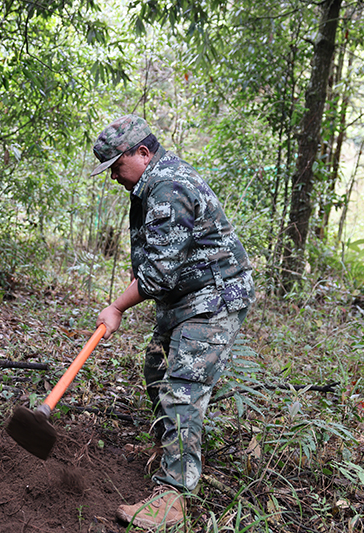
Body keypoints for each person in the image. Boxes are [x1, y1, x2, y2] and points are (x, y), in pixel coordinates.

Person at [91, 115, 255, 530]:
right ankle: (174, 447)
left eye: (116, 166)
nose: (114, 177)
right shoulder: (152, 183)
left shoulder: (169, 186)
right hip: (184, 297)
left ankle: (173, 498)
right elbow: (156, 260)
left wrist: (116, 307)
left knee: (181, 390)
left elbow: (158, 275)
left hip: (214, 298)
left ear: (142, 153)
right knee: (157, 370)